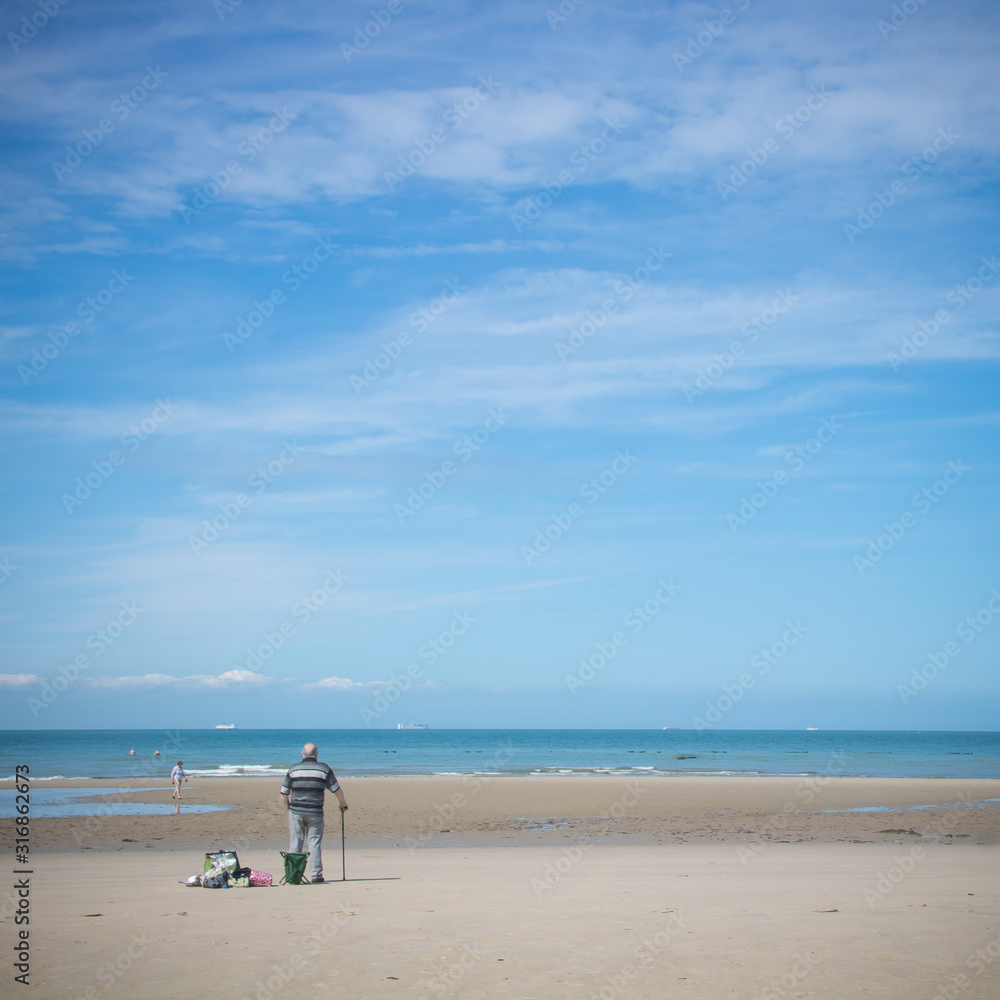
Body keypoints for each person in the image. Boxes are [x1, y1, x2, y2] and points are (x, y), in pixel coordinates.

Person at [279, 742, 347, 883]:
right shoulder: (323, 769)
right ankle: (316, 875)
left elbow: (283, 794)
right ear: (316, 754)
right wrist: (342, 803)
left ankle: (294, 875)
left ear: (302, 754)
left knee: (295, 842)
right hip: (315, 812)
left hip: (296, 811)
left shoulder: (293, 769)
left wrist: (288, 807)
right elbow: (336, 789)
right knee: (314, 843)